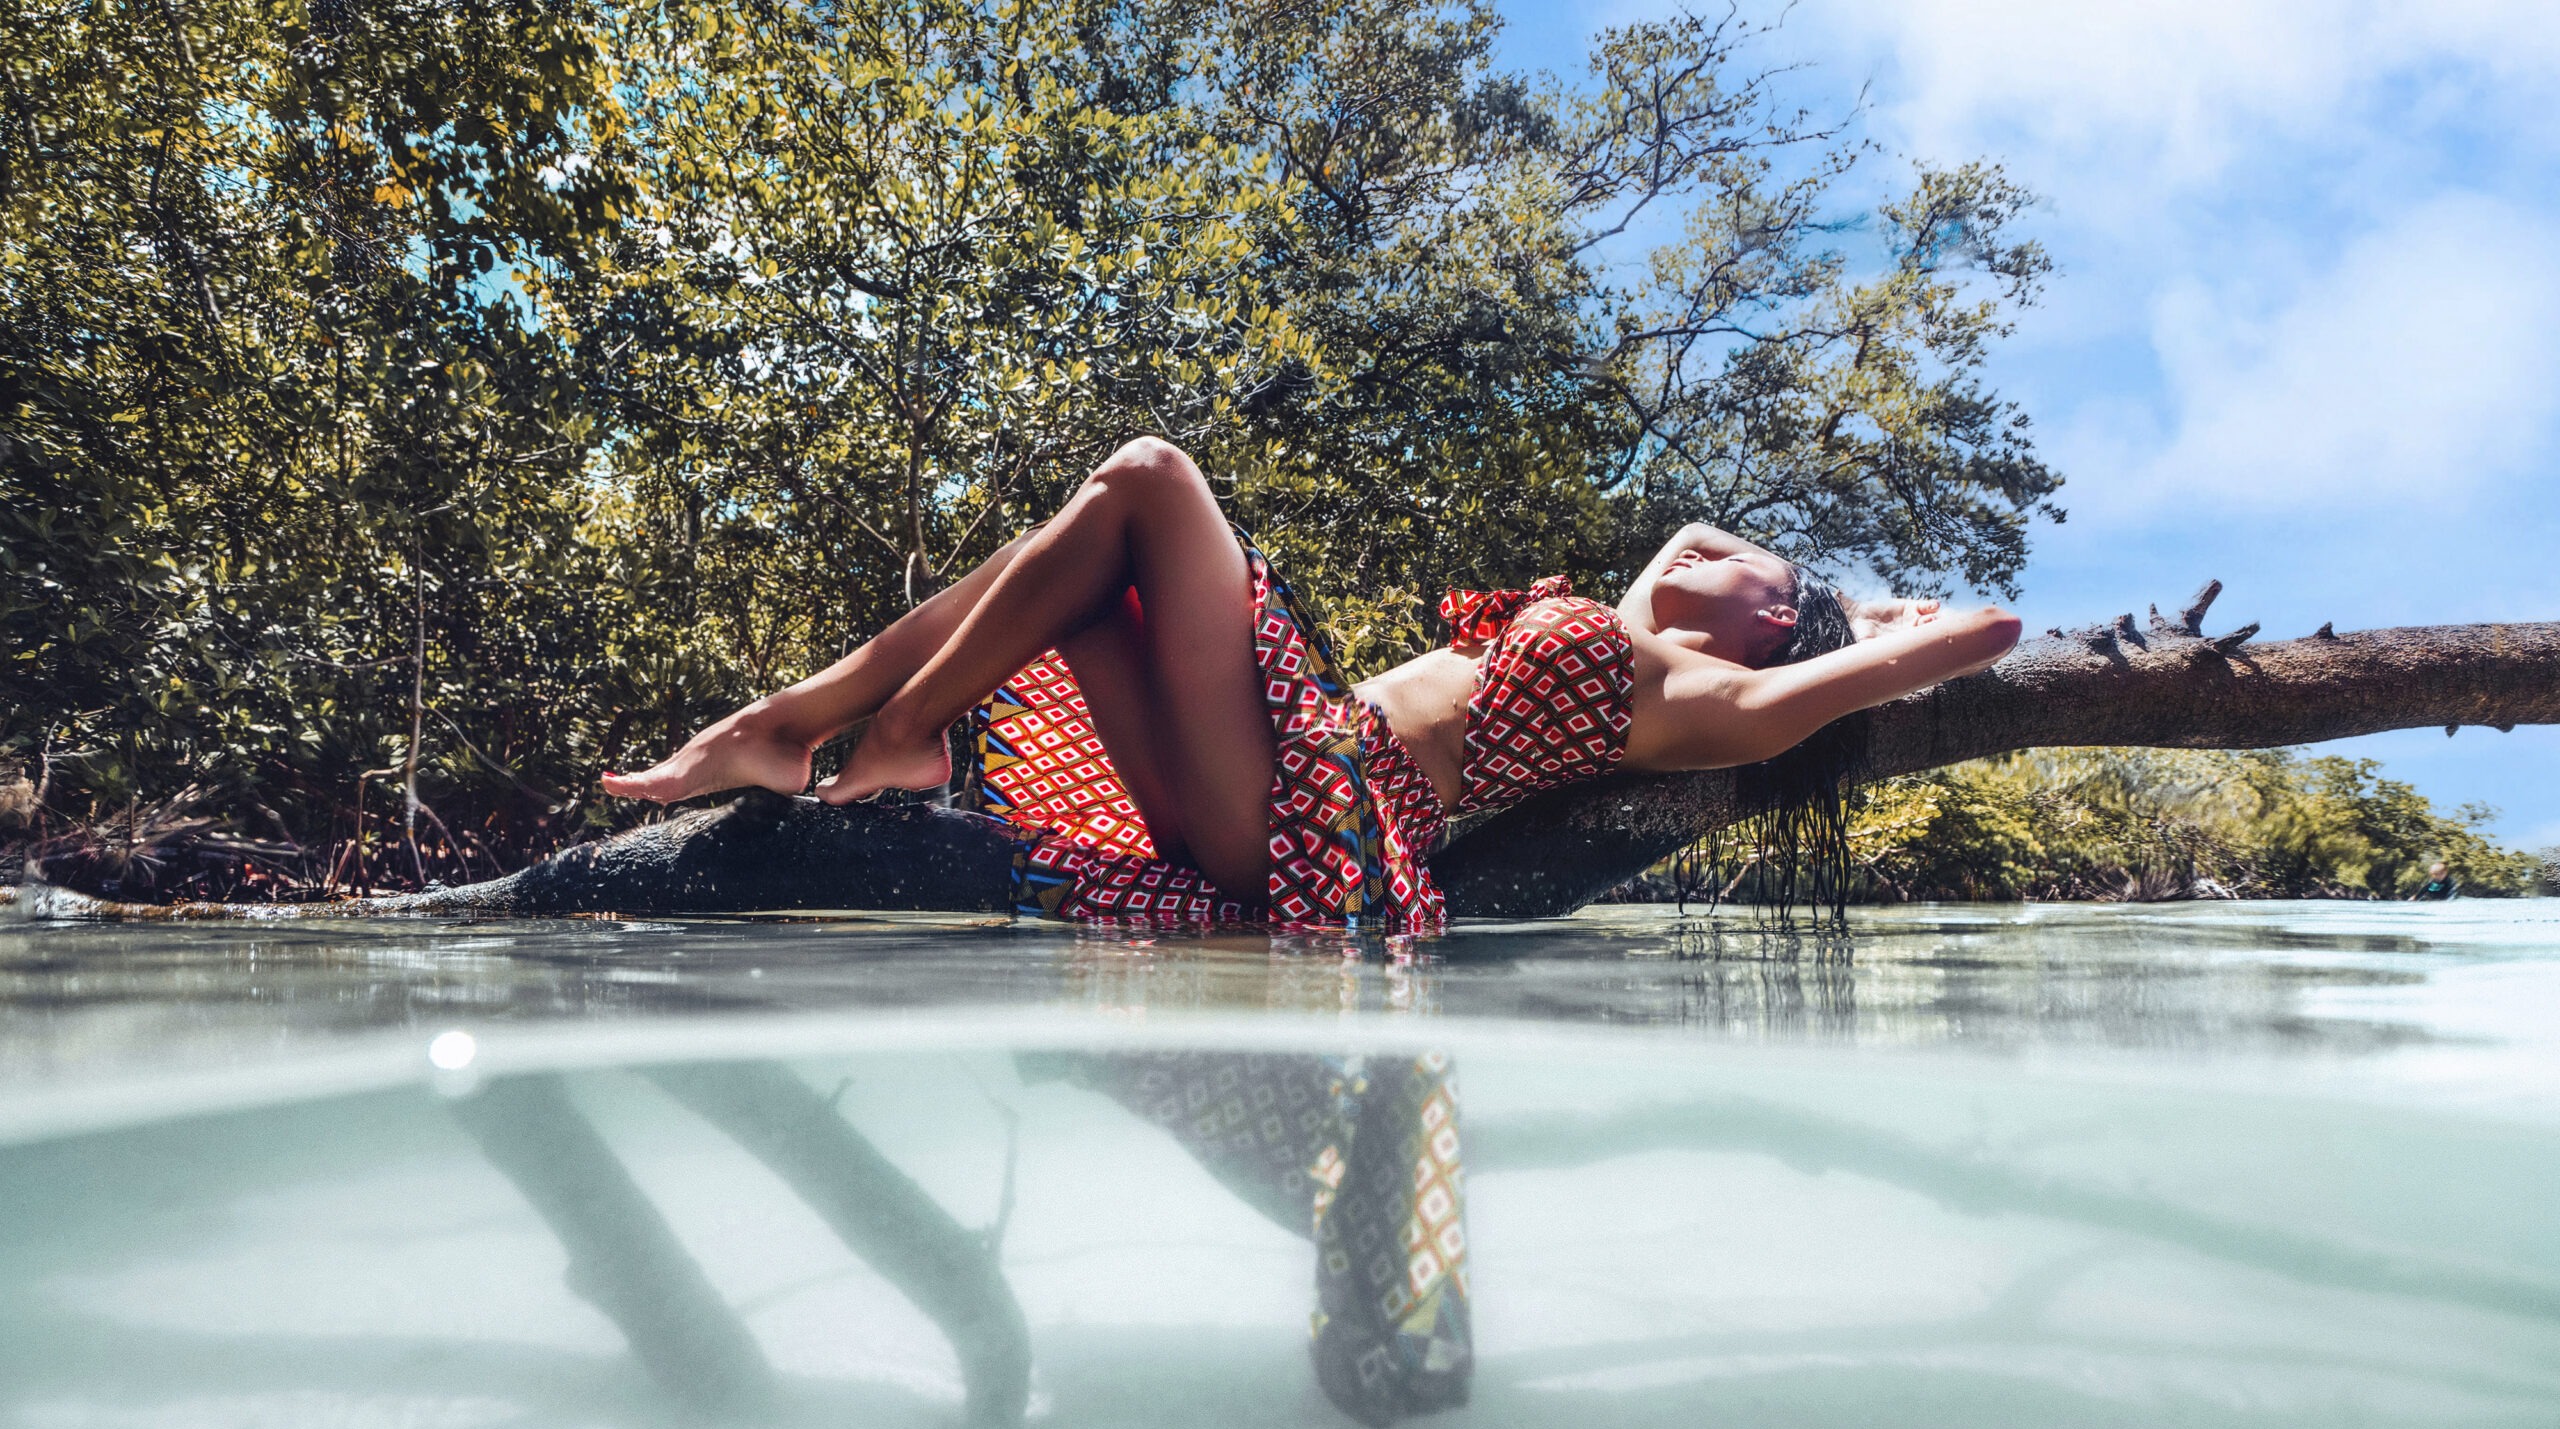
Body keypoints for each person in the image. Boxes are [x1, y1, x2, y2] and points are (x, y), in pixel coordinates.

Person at [603, 437, 2021, 930]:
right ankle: (786, 726)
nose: (1734, 545)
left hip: (1326, 820)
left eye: (1772, 568)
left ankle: (887, 729)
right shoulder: (1642, 621)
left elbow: (1992, 628)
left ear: (1780, 624)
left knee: (1153, 479)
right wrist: (1781, 590)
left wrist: (1877, 621)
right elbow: (1684, 548)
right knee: (1091, 579)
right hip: (1293, 765)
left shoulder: (1714, 704)